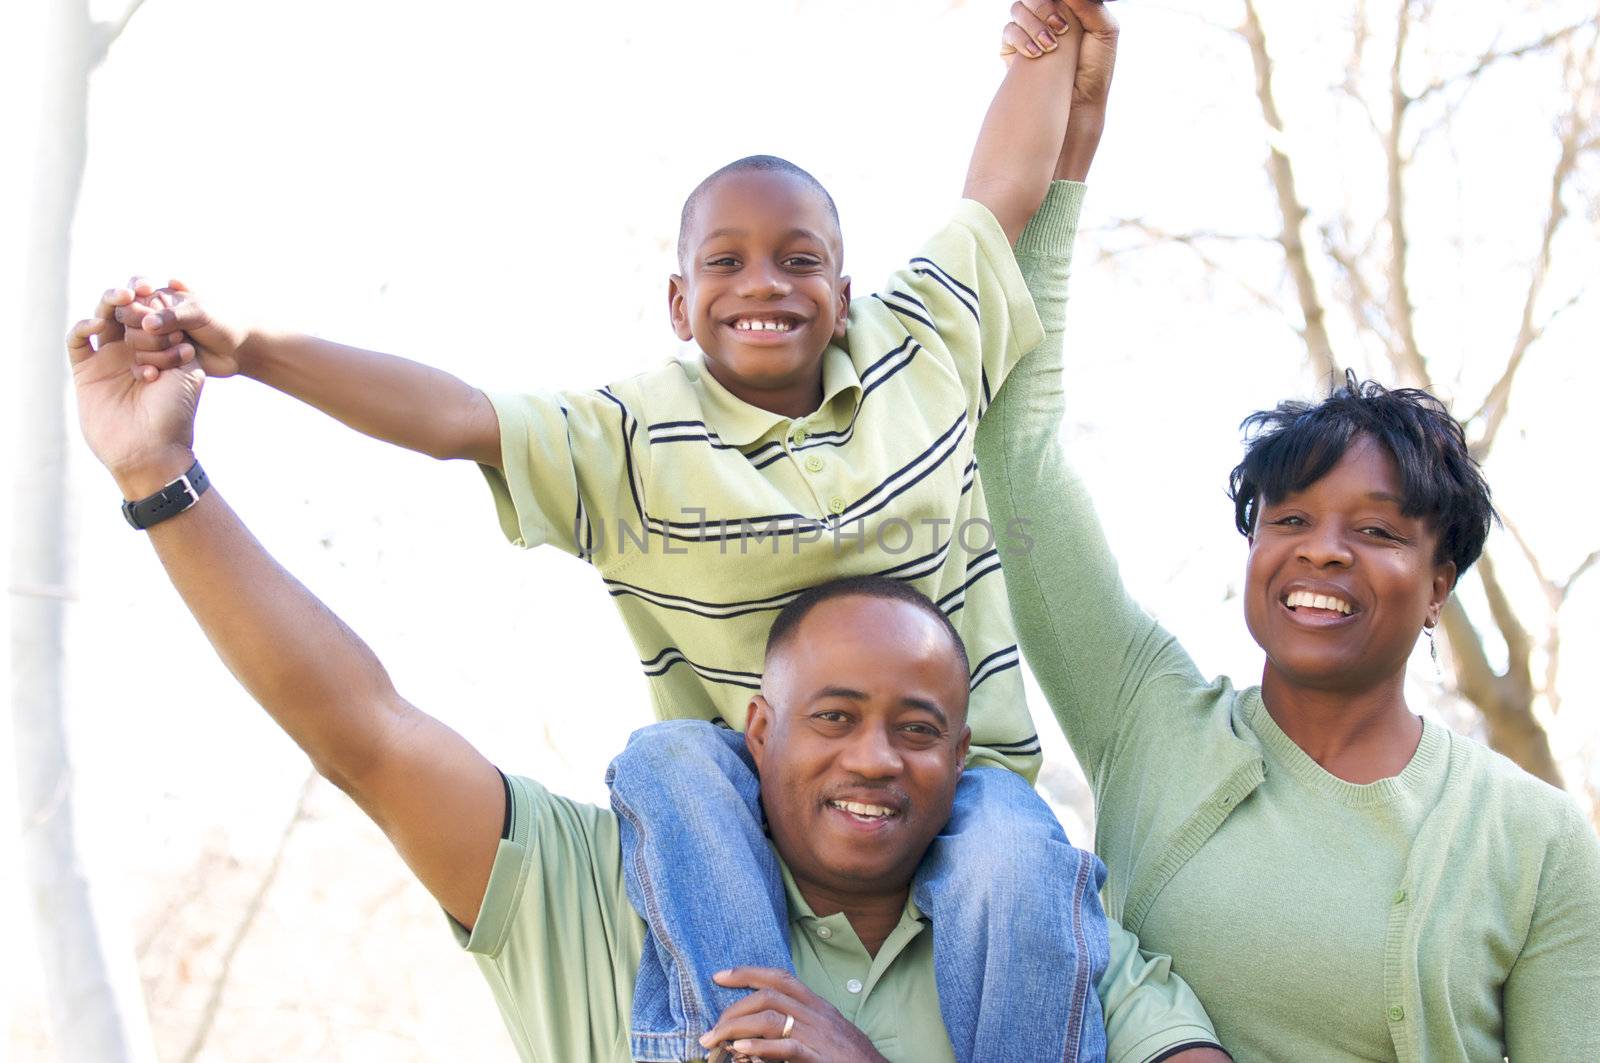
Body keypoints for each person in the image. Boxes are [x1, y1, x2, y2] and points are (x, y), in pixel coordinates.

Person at [100, 2, 1140, 1059]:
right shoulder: (630, 440)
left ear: (844, 287)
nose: (765, 284)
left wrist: (1050, 39)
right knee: (666, 763)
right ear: (681, 305)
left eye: (798, 259)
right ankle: (735, 1036)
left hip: (968, 789)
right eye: (726, 265)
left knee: (1020, 861)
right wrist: (251, 351)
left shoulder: (912, 346)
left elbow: (1000, 195)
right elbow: (454, 418)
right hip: (741, 798)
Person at [64, 292, 1230, 1062]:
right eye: (834, 716)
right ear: (755, 729)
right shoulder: (605, 893)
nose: (875, 754)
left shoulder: (1050, 934)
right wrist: (162, 478)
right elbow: (362, 731)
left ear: (961, 750)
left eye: (919, 727)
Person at [972, 166, 1600, 1063]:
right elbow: (1016, 449)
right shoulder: (1148, 719)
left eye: (1376, 528)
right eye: (1291, 519)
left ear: (1438, 586)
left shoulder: (1534, 839)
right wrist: (1061, 159)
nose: (1322, 549)